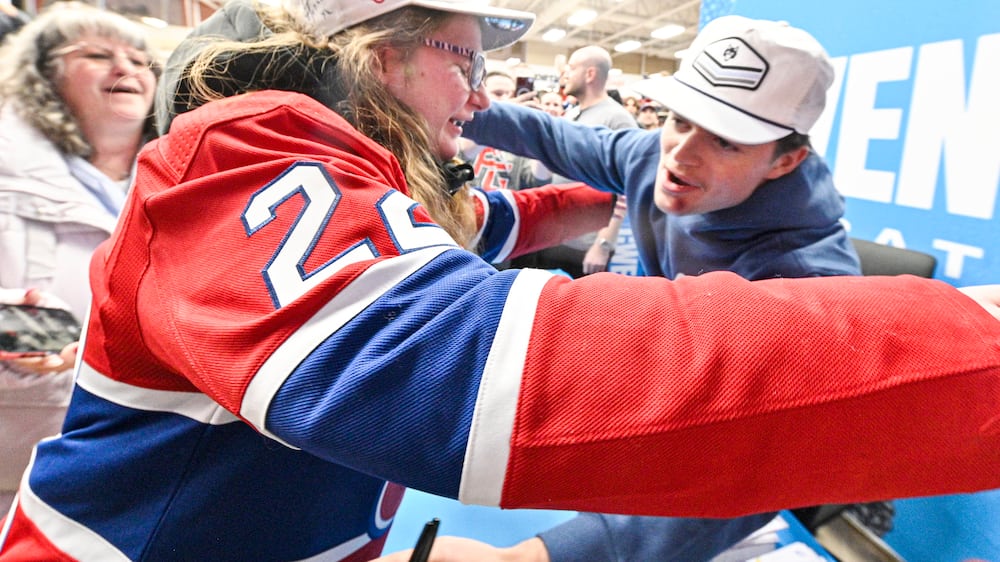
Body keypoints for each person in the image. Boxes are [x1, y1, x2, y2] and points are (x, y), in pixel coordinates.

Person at [1, 2, 999, 562]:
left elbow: (463, 230)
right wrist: (968, 341)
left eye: (724, 136)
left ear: (785, 158)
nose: (482, 95)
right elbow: (445, 364)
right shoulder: (244, 152)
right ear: (373, 56)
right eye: (463, 58)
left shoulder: (374, 189)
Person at [410, 14, 894, 562]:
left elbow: (764, 465)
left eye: (725, 142)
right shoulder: (652, 155)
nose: (681, 154)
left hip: (709, 462)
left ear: (786, 161)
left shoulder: (809, 281)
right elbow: (548, 135)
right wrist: (440, 98)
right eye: (680, 119)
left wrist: (531, 557)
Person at [0, 1, 158, 513]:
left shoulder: (188, 180)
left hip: (148, 470)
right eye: (97, 54)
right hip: (20, 472)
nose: (126, 67)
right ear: (43, 78)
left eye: (139, 59)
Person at [514, 45, 637, 277]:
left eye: (571, 68)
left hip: (586, 245)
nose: (565, 74)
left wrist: (603, 243)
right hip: (553, 236)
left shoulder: (617, 119)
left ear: (590, 74)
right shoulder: (571, 115)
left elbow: (626, 189)